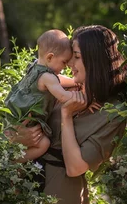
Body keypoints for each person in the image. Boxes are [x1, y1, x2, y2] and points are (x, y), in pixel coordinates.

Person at [13, 25, 127, 204]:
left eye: (76, 57)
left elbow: (75, 168)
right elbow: (18, 119)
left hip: (61, 192)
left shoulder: (113, 112)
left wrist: (66, 115)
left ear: (94, 60)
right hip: (25, 181)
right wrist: (15, 137)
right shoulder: (64, 87)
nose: (70, 64)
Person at [5, 29, 84, 161]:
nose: (65, 67)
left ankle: (11, 156)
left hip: (13, 116)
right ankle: (14, 161)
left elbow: (58, 79)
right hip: (26, 120)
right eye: (64, 62)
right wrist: (83, 97)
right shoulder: (48, 77)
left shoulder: (35, 67)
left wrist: (75, 82)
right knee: (44, 144)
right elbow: (63, 96)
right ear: (50, 57)